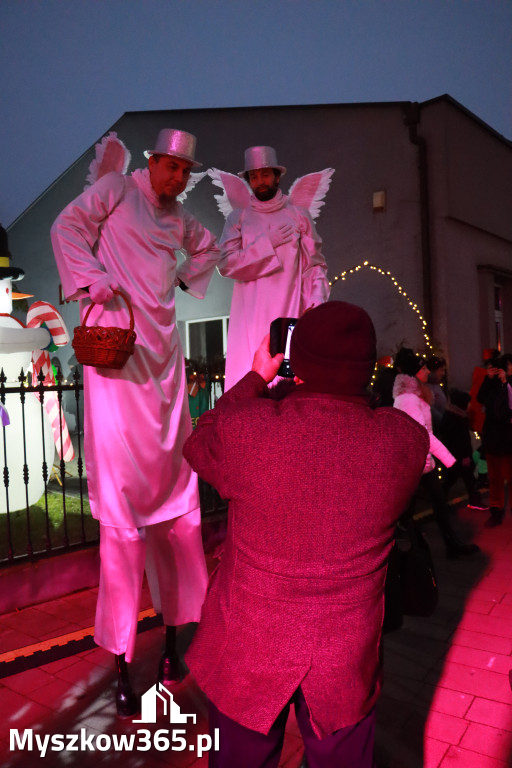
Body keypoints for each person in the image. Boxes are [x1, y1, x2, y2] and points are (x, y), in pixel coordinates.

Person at [183, 301, 429, 768]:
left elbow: (201, 440)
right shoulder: (402, 441)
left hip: (249, 644)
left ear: (298, 361)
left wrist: (257, 377)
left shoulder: (251, 431)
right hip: (344, 655)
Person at [51, 128, 220, 716]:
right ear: (152, 162)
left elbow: (208, 250)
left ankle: (174, 641)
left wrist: (179, 280)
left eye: (184, 171)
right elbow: (64, 228)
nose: (177, 178)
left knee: (175, 503)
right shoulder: (115, 191)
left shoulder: (180, 220)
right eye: (171, 167)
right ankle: (123, 659)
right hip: (117, 363)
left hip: (165, 368)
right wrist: (94, 279)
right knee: (124, 517)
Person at [217, 146, 330, 391]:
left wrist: (317, 301)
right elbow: (226, 264)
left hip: (289, 312)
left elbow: (315, 265)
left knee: (288, 387)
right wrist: (267, 244)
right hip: (249, 316)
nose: (260, 181)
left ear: (277, 176)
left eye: (265, 175)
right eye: (254, 176)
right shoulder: (238, 219)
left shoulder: (299, 217)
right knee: (250, 384)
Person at [393, 348, 480, 558]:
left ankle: (449, 545)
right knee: (408, 511)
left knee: (437, 505)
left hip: (423, 462)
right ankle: (412, 554)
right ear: (414, 374)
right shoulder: (408, 399)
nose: (426, 371)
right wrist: (450, 460)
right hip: (415, 463)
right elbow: (423, 434)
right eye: (422, 368)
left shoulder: (415, 395)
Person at [438, 388, 488, 511]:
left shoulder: (449, 416)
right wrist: (465, 456)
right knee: (465, 479)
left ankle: (441, 503)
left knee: (453, 479)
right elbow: (462, 440)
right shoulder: (460, 419)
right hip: (461, 456)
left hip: (451, 456)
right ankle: (441, 503)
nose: (470, 405)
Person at [477, 354, 512, 527]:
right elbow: (481, 398)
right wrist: (488, 378)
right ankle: (496, 510)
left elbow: (505, 408)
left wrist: (505, 383)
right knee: (495, 478)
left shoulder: (509, 385)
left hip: (508, 437)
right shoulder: (490, 384)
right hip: (492, 437)